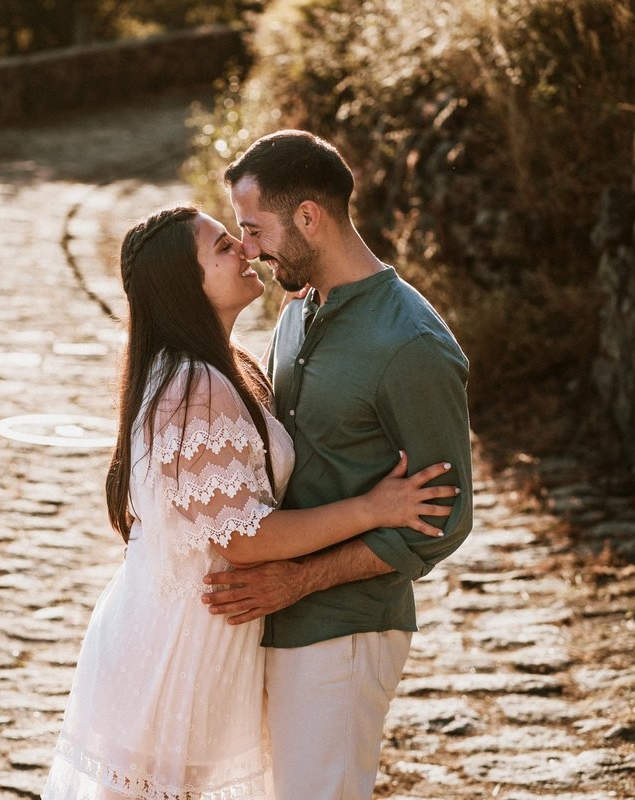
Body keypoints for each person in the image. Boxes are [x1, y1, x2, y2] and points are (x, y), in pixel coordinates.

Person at [42, 205, 460, 800]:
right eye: (222, 248)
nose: (244, 249)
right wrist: (373, 509)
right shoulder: (196, 388)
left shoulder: (221, 366)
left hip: (204, 630)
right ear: (186, 288)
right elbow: (244, 540)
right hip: (180, 641)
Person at [202, 130, 473, 800]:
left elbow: (444, 520)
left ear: (308, 218)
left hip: (346, 631)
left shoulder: (410, 343)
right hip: (275, 620)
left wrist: (300, 579)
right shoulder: (298, 314)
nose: (249, 251)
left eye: (254, 229)